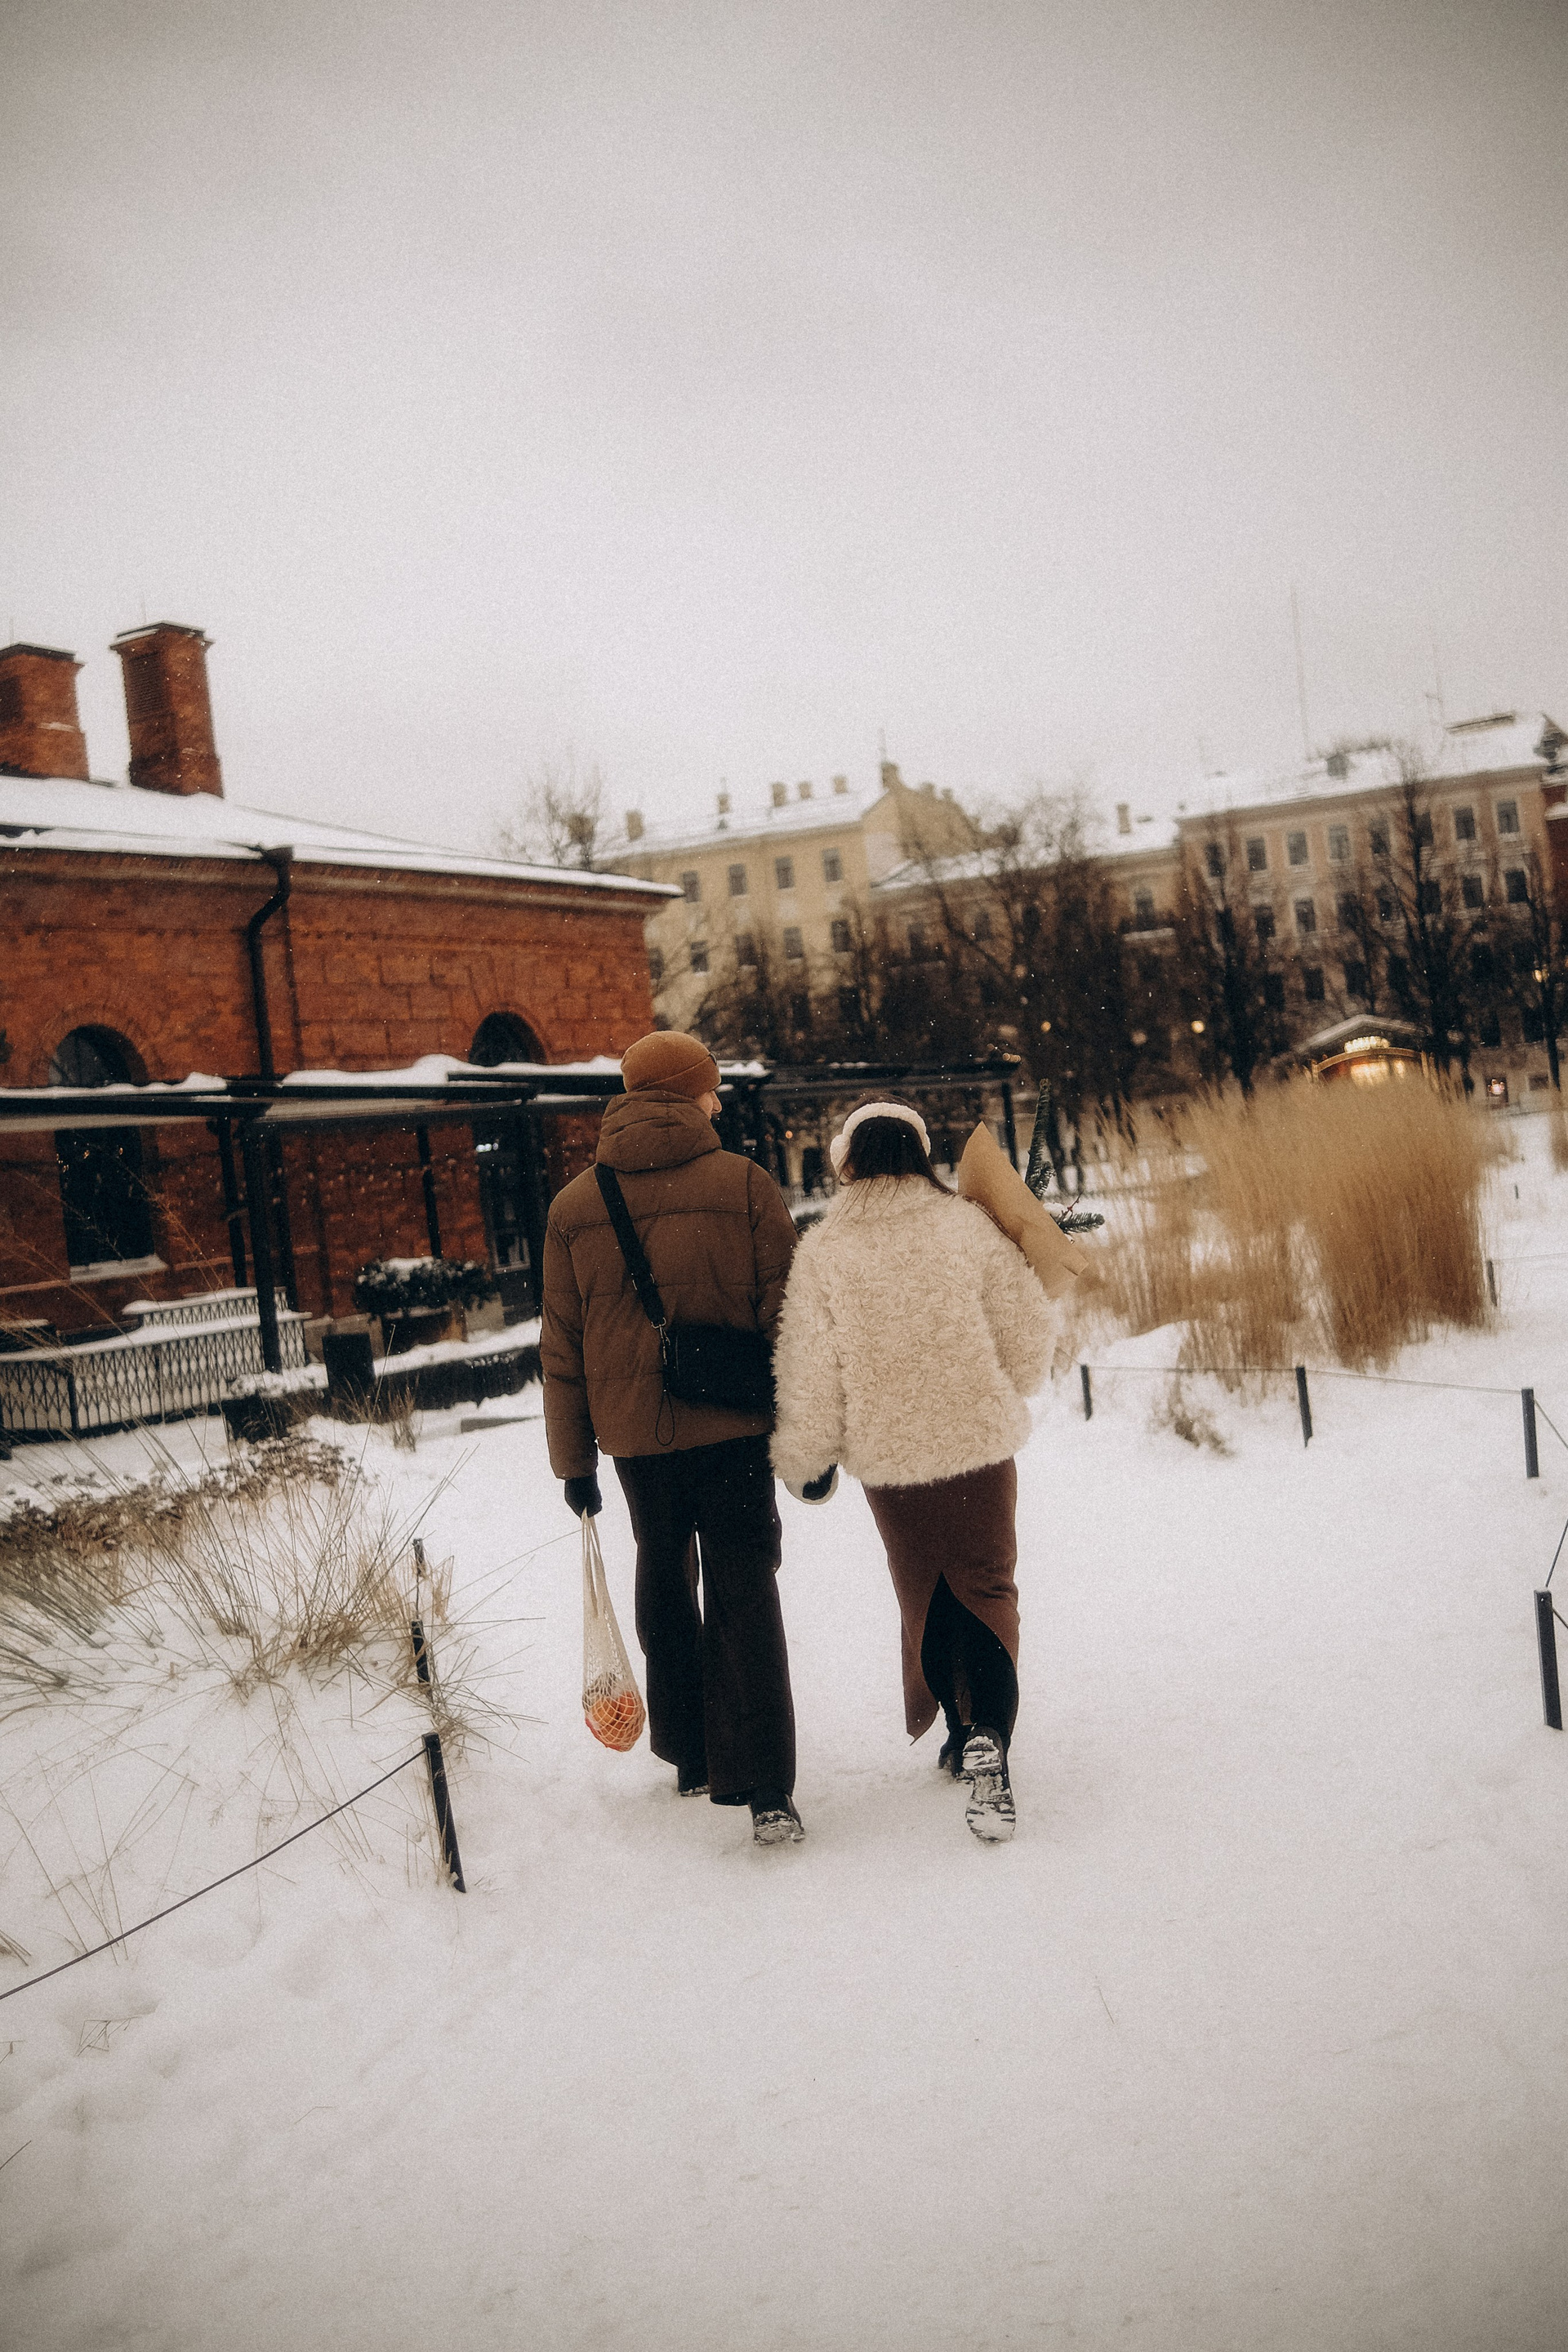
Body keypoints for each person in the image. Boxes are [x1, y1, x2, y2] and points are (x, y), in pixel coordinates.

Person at [541, 1030, 805, 1846]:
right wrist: (804, 1425)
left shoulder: (575, 1206)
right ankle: (764, 1784)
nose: (718, 1102)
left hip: (635, 1439)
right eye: (710, 1088)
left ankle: (689, 1747)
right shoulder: (746, 1184)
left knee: (662, 1571)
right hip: (733, 1426)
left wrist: (574, 1462)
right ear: (688, 1093)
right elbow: (790, 1318)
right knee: (745, 1588)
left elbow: (562, 1347)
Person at [769, 1098, 1056, 1841]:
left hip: (889, 1459)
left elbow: (808, 1367)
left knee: (925, 1591)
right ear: (921, 1154)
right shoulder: (967, 1225)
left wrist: (808, 1458)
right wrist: (1003, 1382)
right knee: (987, 1584)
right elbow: (1028, 1333)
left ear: (848, 1161)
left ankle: (961, 1733)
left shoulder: (824, 1250)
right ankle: (988, 1731)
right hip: (978, 1442)